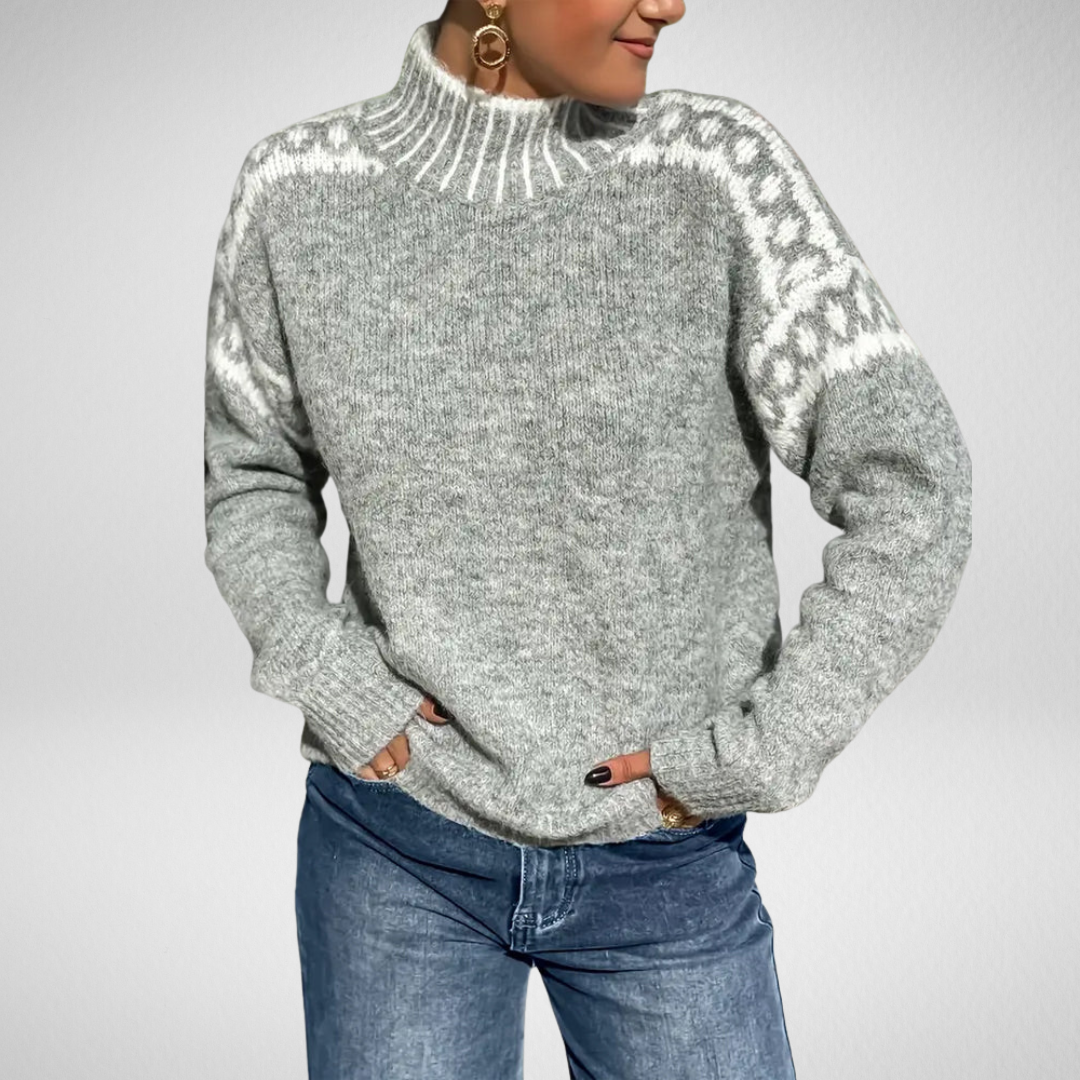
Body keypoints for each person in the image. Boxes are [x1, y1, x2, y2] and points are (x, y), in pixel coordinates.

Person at [202, 1, 973, 1076]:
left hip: (664, 863)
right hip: (394, 851)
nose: (669, 3)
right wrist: (328, 673)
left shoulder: (717, 171)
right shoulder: (295, 190)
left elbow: (914, 485)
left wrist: (764, 746)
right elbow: (253, 476)